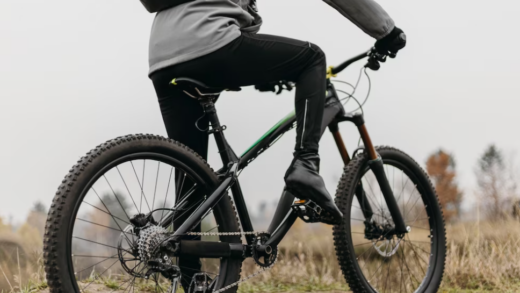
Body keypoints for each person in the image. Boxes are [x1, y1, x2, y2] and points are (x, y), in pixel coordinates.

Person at [149, 0, 406, 225]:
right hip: (212, 40)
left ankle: (188, 273)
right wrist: (386, 31)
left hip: (162, 57)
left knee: (190, 173)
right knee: (312, 59)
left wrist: (263, 73)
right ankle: (306, 164)